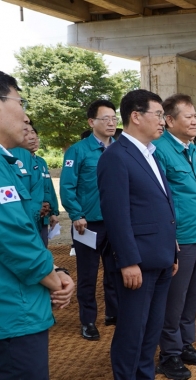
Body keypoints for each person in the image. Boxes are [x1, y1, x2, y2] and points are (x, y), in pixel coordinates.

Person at [97, 89, 178, 380]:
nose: (162, 121)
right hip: (138, 263)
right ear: (135, 116)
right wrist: (128, 260)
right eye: (157, 115)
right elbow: (116, 215)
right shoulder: (117, 156)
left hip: (160, 257)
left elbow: (161, 204)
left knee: (151, 331)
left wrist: (173, 251)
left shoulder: (150, 154)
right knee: (133, 331)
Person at [0, 70, 74, 380]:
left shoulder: (11, 165)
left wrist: (54, 271)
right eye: (20, 101)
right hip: (13, 312)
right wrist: (54, 279)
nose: (25, 113)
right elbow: (12, 236)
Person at [154, 93, 196, 379]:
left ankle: (185, 344)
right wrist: (170, 236)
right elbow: (159, 199)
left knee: (192, 296)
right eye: (188, 116)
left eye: (194, 116)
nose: (194, 121)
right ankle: (169, 354)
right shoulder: (160, 151)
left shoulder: (194, 149)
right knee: (174, 299)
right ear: (169, 120)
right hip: (180, 238)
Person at [59, 99, 119, 340]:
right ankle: (88, 320)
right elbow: (67, 186)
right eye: (106, 119)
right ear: (91, 122)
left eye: (114, 118)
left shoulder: (120, 148)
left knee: (115, 271)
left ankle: (113, 313)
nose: (111, 122)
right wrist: (76, 215)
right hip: (87, 224)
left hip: (115, 223)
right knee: (87, 274)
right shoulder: (78, 150)